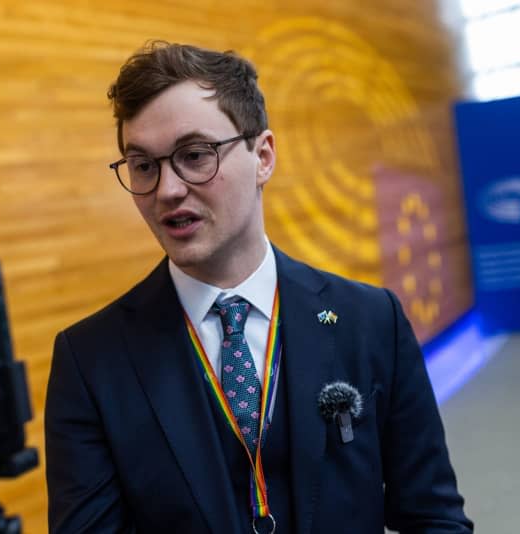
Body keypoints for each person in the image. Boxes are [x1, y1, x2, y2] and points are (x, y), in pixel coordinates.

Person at [45, 41, 473, 534]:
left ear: (263, 156)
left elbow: (434, 518)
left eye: (195, 155)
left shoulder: (372, 320)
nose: (167, 190)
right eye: (144, 165)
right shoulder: (90, 361)